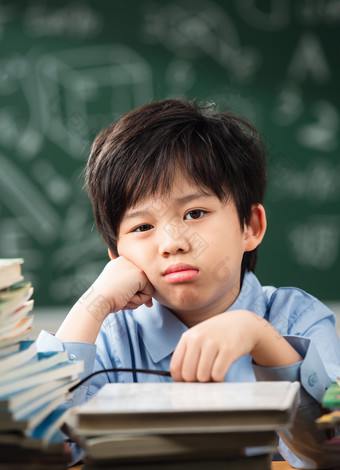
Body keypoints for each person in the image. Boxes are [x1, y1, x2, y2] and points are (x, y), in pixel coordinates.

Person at [38, 99, 340, 467]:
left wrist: (260, 338)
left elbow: (329, 451)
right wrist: (93, 304)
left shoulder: (299, 319)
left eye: (195, 213)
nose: (172, 242)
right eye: (142, 227)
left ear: (250, 227)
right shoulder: (113, 337)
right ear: (116, 256)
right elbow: (46, 451)